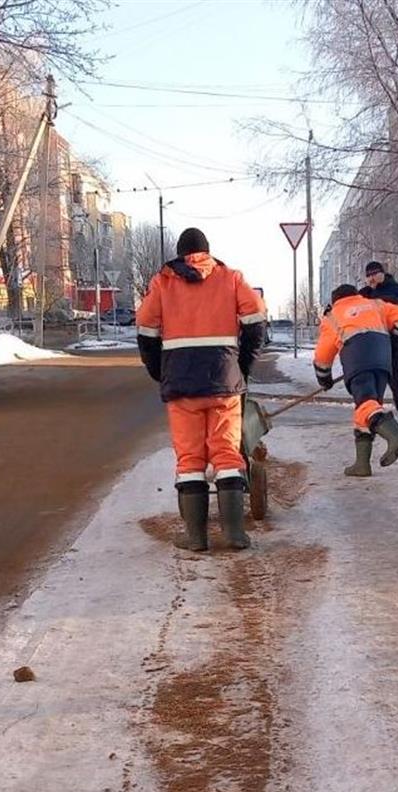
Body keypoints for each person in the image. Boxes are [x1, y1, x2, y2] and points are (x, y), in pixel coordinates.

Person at [136, 228, 266, 552]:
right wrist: (243, 365)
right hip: (224, 381)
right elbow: (256, 320)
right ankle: (235, 534)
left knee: (190, 459)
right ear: (207, 252)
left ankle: (196, 537)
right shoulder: (231, 278)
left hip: (181, 384)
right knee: (226, 453)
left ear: (180, 254)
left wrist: (160, 372)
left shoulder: (162, 283)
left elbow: (146, 331)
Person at [314, 284, 398, 477]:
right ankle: (362, 465)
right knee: (367, 407)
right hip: (383, 361)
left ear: (335, 300)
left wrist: (324, 379)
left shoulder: (333, 316)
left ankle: (396, 437)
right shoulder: (375, 304)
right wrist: (395, 338)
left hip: (357, 359)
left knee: (366, 403)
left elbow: (322, 356)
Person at [360, 261, 398, 433]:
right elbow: (350, 305)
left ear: (382, 273)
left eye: (374, 274)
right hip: (373, 348)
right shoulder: (366, 294)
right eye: (368, 275)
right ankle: (376, 422)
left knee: (396, 382)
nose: (371, 279)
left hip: (393, 346)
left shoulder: (397, 291)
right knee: (374, 386)